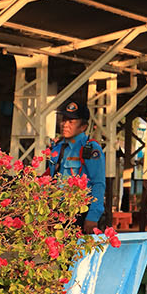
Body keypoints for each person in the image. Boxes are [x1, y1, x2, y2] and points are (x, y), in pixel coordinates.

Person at [45, 98, 107, 233]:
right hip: (56, 213)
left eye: (71, 121)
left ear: (83, 127)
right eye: (63, 120)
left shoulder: (90, 149)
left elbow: (98, 183)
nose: (65, 124)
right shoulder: (56, 148)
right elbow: (50, 179)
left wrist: (93, 217)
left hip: (79, 213)